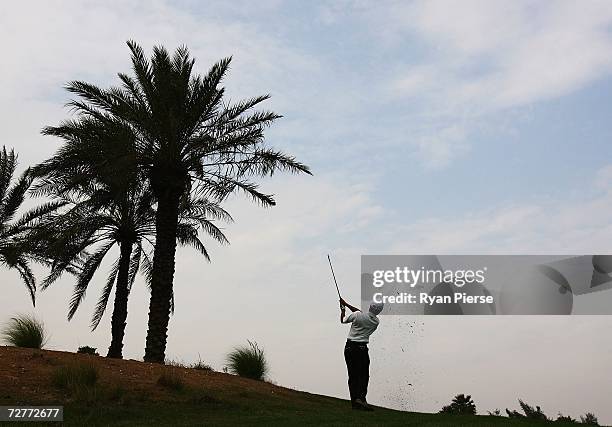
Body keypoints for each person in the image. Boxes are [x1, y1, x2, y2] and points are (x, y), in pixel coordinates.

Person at [339, 297, 383, 411]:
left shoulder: (358, 315)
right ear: (379, 311)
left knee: (352, 376)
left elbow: (343, 319)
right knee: (363, 375)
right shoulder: (376, 322)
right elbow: (360, 313)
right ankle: (361, 399)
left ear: (370, 306)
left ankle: (355, 403)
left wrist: (343, 308)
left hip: (349, 348)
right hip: (362, 349)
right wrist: (347, 304)